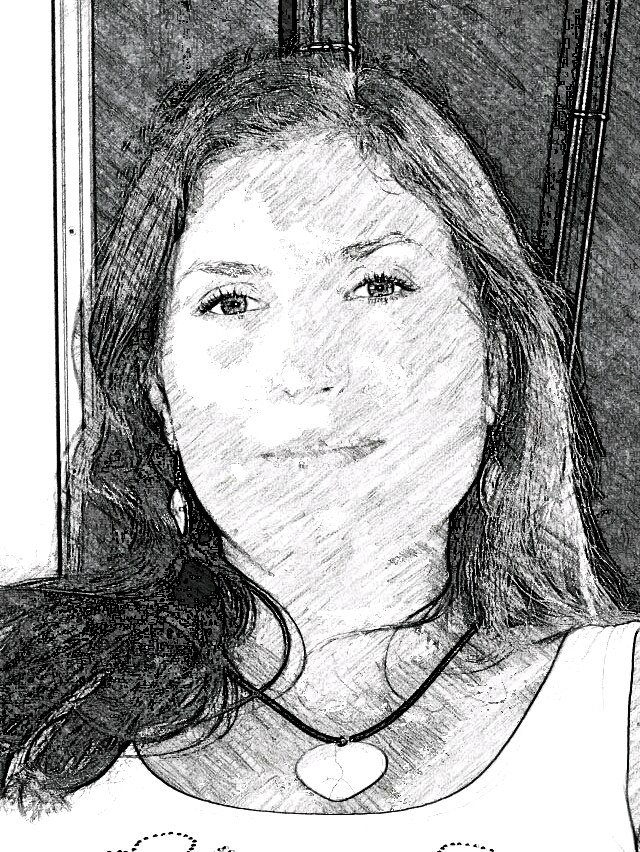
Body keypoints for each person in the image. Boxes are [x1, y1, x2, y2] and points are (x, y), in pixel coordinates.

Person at [0, 52, 638, 852]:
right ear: (157, 390)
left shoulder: (621, 709)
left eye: (380, 286)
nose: (307, 366)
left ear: (496, 368)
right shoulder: (24, 703)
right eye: (230, 301)